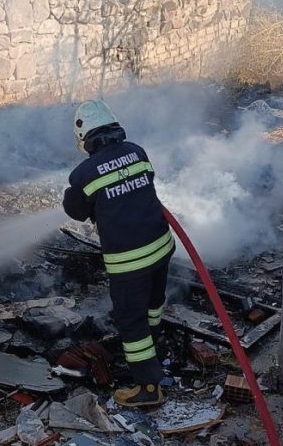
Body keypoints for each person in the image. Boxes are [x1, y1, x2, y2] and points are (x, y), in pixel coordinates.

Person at [62, 100, 173, 408]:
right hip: (161, 247)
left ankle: (148, 386)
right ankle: (154, 347)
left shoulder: (84, 173)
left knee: (130, 320)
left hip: (130, 261)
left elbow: (75, 210)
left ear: (84, 137)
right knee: (153, 304)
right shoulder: (137, 152)